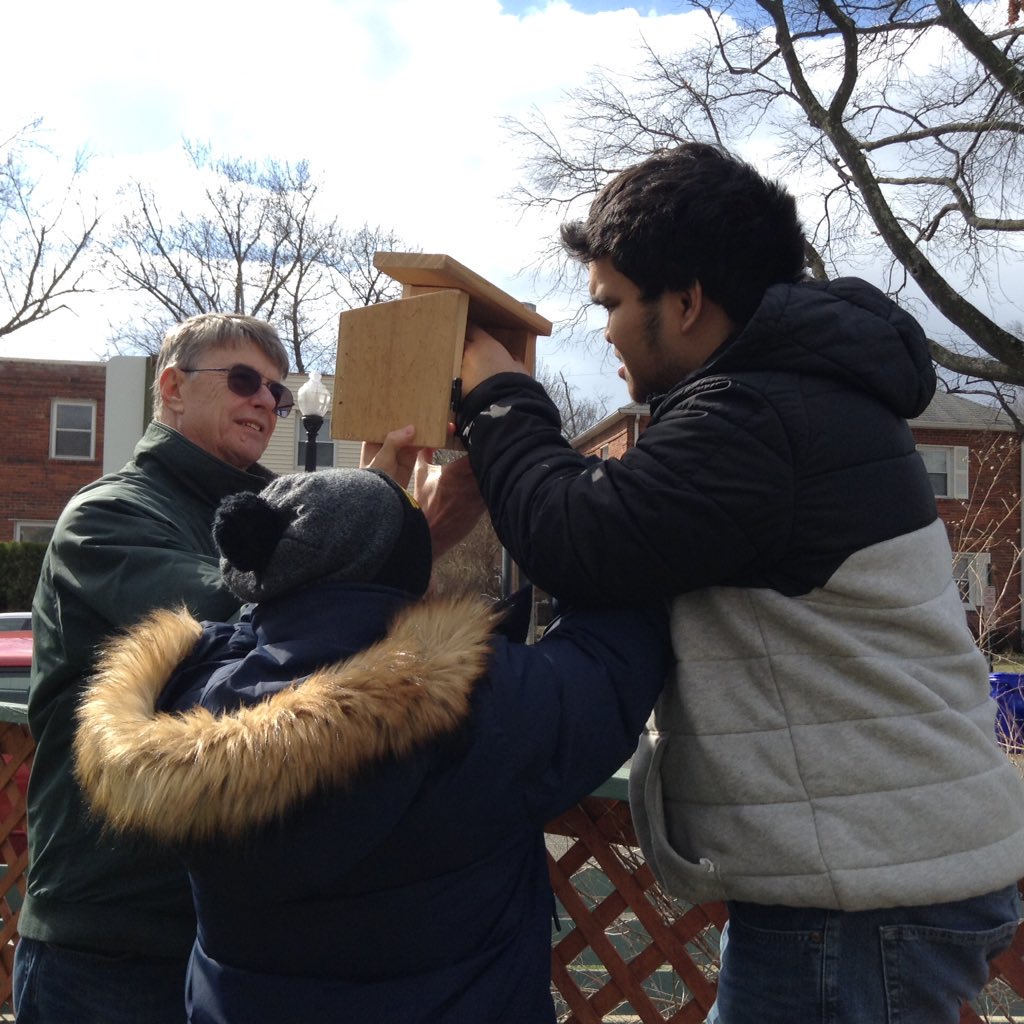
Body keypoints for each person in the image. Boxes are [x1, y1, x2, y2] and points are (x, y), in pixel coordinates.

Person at [453, 142, 1024, 1024]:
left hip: (863, 902)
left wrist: (498, 402)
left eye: (611, 301)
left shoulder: (758, 417)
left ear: (684, 301)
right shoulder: (798, 398)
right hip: (877, 879)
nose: (602, 328)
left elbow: (578, 536)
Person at [72, 466, 671, 1024]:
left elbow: (259, 631)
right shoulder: (483, 699)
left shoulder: (187, 701)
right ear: (409, 566)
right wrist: (541, 486)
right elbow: (615, 653)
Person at [13, 313, 295, 1023]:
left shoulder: (256, 521)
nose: (266, 401)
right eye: (242, 380)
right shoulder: (107, 517)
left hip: (219, 937)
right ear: (171, 387)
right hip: (107, 943)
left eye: (277, 393)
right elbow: (240, 627)